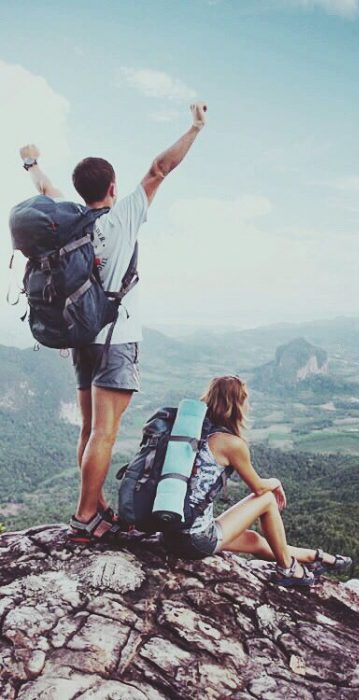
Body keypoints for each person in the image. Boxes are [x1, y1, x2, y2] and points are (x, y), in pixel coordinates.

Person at [19, 102, 208, 543]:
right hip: (116, 339)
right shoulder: (122, 217)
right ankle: (86, 516)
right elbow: (160, 168)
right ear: (112, 185)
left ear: (79, 190)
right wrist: (195, 127)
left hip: (82, 336)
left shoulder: (71, 223)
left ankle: (95, 502)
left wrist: (31, 163)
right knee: (106, 431)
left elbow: (45, 188)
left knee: (89, 429)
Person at [162, 376, 352, 586]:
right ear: (238, 404)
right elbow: (259, 488)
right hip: (194, 539)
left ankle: (314, 557)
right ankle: (288, 569)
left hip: (169, 534)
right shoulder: (230, 443)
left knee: (253, 540)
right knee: (268, 499)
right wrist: (275, 481)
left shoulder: (190, 433)